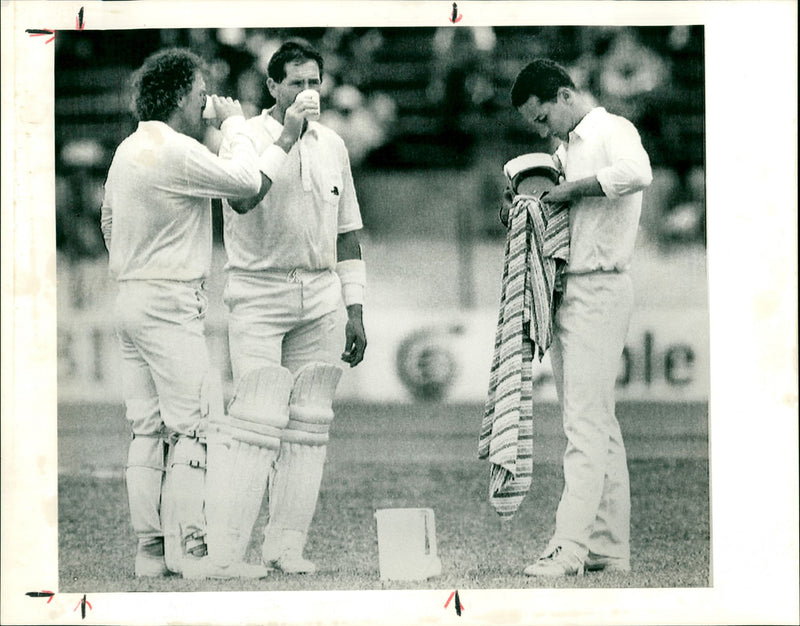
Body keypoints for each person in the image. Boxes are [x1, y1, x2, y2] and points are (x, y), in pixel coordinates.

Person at [100, 47, 271, 579]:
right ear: (177, 95)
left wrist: (137, 265)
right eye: (200, 95)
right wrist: (238, 124)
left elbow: (108, 220)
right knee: (195, 426)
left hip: (129, 294)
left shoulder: (128, 149)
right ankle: (196, 553)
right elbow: (245, 183)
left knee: (147, 428)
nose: (205, 106)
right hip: (170, 301)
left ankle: (151, 552)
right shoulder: (176, 149)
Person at [212, 40, 367, 575]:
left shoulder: (334, 146)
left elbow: (348, 233)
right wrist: (287, 134)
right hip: (256, 293)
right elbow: (242, 198)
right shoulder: (242, 139)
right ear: (272, 86)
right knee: (255, 423)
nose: (308, 92)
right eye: (296, 82)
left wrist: (356, 308)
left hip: (321, 293)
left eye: (314, 82)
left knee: (308, 428)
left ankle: (285, 547)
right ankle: (228, 553)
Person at [509, 58, 652, 577]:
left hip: (602, 284)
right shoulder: (561, 150)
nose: (542, 128)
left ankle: (568, 547)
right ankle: (609, 549)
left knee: (583, 425)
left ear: (564, 96)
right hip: (569, 289)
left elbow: (639, 174)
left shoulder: (613, 129)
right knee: (598, 424)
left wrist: (571, 188)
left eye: (542, 117)